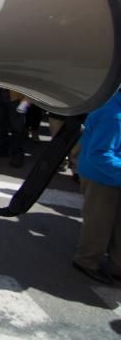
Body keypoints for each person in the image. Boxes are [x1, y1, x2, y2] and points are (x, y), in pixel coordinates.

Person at [72, 90, 121, 285]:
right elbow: (99, 155)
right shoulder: (112, 114)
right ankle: (86, 261)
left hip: (111, 176)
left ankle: (117, 266)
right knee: (98, 224)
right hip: (100, 178)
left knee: (115, 224)